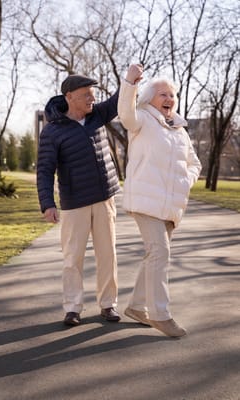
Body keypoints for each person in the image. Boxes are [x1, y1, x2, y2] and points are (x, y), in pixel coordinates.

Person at [118, 64, 201, 337]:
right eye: (163, 94)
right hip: (145, 201)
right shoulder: (141, 119)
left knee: (154, 254)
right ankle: (160, 315)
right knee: (160, 253)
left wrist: (186, 180)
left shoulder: (179, 129)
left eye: (172, 95)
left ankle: (136, 306)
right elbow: (125, 114)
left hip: (171, 206)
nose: (169, 99)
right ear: (150, 98)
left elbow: (195, 163)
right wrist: (130, 82)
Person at [37, 74, 121, 326]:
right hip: (75, 203)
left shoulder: (97, 115)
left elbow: (120, 100)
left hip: (104, 198)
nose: (92, 98)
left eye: (92, 94)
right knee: (73, 258)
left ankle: (108, 304)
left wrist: (130, 81)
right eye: (86, 94)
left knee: (108, 254)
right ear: (69, 96)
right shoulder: (52, 130)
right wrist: (47, 202)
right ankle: (73, 307)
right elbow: (44, 169)